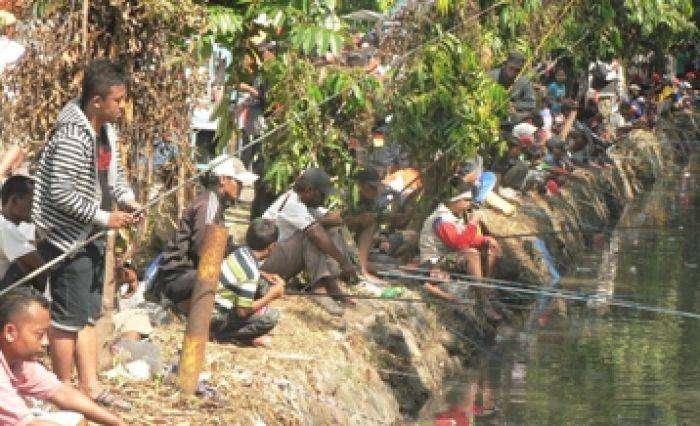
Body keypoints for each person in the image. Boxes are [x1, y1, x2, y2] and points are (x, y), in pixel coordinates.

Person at [31, 59, 140, 410]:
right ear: (97, 101)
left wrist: (128, 200)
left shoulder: (107, 132)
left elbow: (114, 176)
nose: (122, 106)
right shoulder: (71, 136)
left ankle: (90, 387)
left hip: (91, 237)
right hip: (67, 240)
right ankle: (63, 391)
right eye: (118, 100)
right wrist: (104, 217)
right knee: (66, 320)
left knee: (87, 315)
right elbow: (61, 194)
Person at [0, 287, 125, 425]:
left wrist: (117, 422)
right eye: (40, 334)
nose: (46, 342)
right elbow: (28, 424)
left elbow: (61, 393)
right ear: (10, 332)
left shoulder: (20, 363)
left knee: (76, 420)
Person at [157, 155, 258, 313]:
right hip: (180, 278)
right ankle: (185, 305)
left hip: (189, 275)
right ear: (223, 179)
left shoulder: (215, 203)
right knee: (236, 276)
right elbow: (205, 251)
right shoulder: (208, 205)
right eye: (238, 182)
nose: (241, 186)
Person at [261, 168, 357, 316]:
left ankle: (331, 284)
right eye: (322, 195)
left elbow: (333, 220)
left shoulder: (305, 203)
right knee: (313, 234)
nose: (324, 199)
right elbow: (315, 232)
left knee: (326, 229)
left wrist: (337, 219)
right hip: (267, 264)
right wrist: (343, 262)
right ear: (309, 190)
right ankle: (319, 289)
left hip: (281, 258)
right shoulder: (292, 202)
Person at [419, 190, 502, 320]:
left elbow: (466, 238)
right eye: (466, 200)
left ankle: (484, 286)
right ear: (453, 201)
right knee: (472, 254)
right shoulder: (441, 220)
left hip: (449, 257)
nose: (469, 204)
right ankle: (482, 301)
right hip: (434, 262)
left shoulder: (454, 216)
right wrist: (473, 222)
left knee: (489, 247)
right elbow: (460, 245)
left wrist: (486, 240)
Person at [214, 218, 284, 348]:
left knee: (263, 284)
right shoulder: (250, 272)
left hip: (212, 305)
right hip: (218, 317)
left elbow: (246, 274)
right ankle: (226, 336)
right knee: (272, 317)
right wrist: (272, 295)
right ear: (272, 247)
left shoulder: (240, 251)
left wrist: (264, 275)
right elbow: (242, 311)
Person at [0, 175, 46, 290]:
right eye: (31, 202)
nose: (36, 208)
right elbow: (42, 267)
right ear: (14, 201)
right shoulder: (5, 227)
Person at [488, 52, 536, 123]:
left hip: (511, 122)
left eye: (517, 70)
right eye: (511, 68)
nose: (513, 73)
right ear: (505, 65)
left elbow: (531, 104)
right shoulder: (491, 77)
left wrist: (512, 105)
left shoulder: (524, 82)